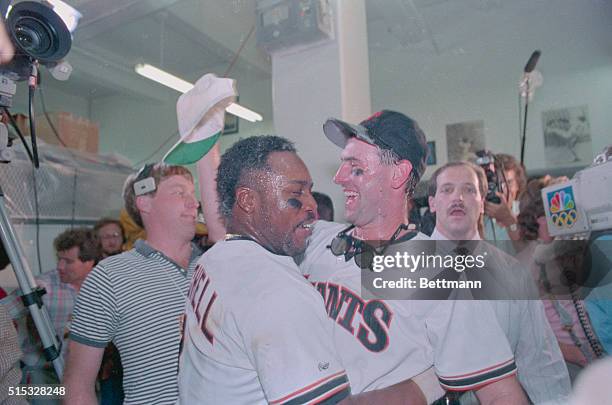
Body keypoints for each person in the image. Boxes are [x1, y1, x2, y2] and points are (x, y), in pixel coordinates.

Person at [427, 161, 572, 404]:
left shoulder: (513, 273)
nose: (458, 198)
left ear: (482, 202)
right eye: (447, 189)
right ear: (432, 202)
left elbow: (539, 358)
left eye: (469, 190)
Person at [63, 163, 203, 405]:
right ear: (144, 202)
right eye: (180, 192)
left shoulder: (216, 265)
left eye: (193, 193)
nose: (195, 203)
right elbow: (76, 385)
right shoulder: (108, 278)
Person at [516, 176, 605, 381]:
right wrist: (579, 355)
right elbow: (528, 334)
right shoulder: (531, 263)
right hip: (569, 364)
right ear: (543, 219)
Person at [5, 228, 100, 392]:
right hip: (42, 374)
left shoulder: (102, 289)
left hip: (85, 378)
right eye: (59, 259)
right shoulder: (41, 286)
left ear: (89, 262)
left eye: (68, 261)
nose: (60, 266)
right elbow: (3, 311)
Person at [92, 218, 126, 404]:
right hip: (104, 353)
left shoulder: (133, 266)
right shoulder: (91, 269)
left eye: (115, 235)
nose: (111, 240)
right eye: (105, 236)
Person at [482, 153, 526, 244]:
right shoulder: (480, 216)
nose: (504, 189)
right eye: (498, 184)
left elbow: (527, 250)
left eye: (509, 183)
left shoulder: (526, 212)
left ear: (518, 184)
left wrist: (508, 219)